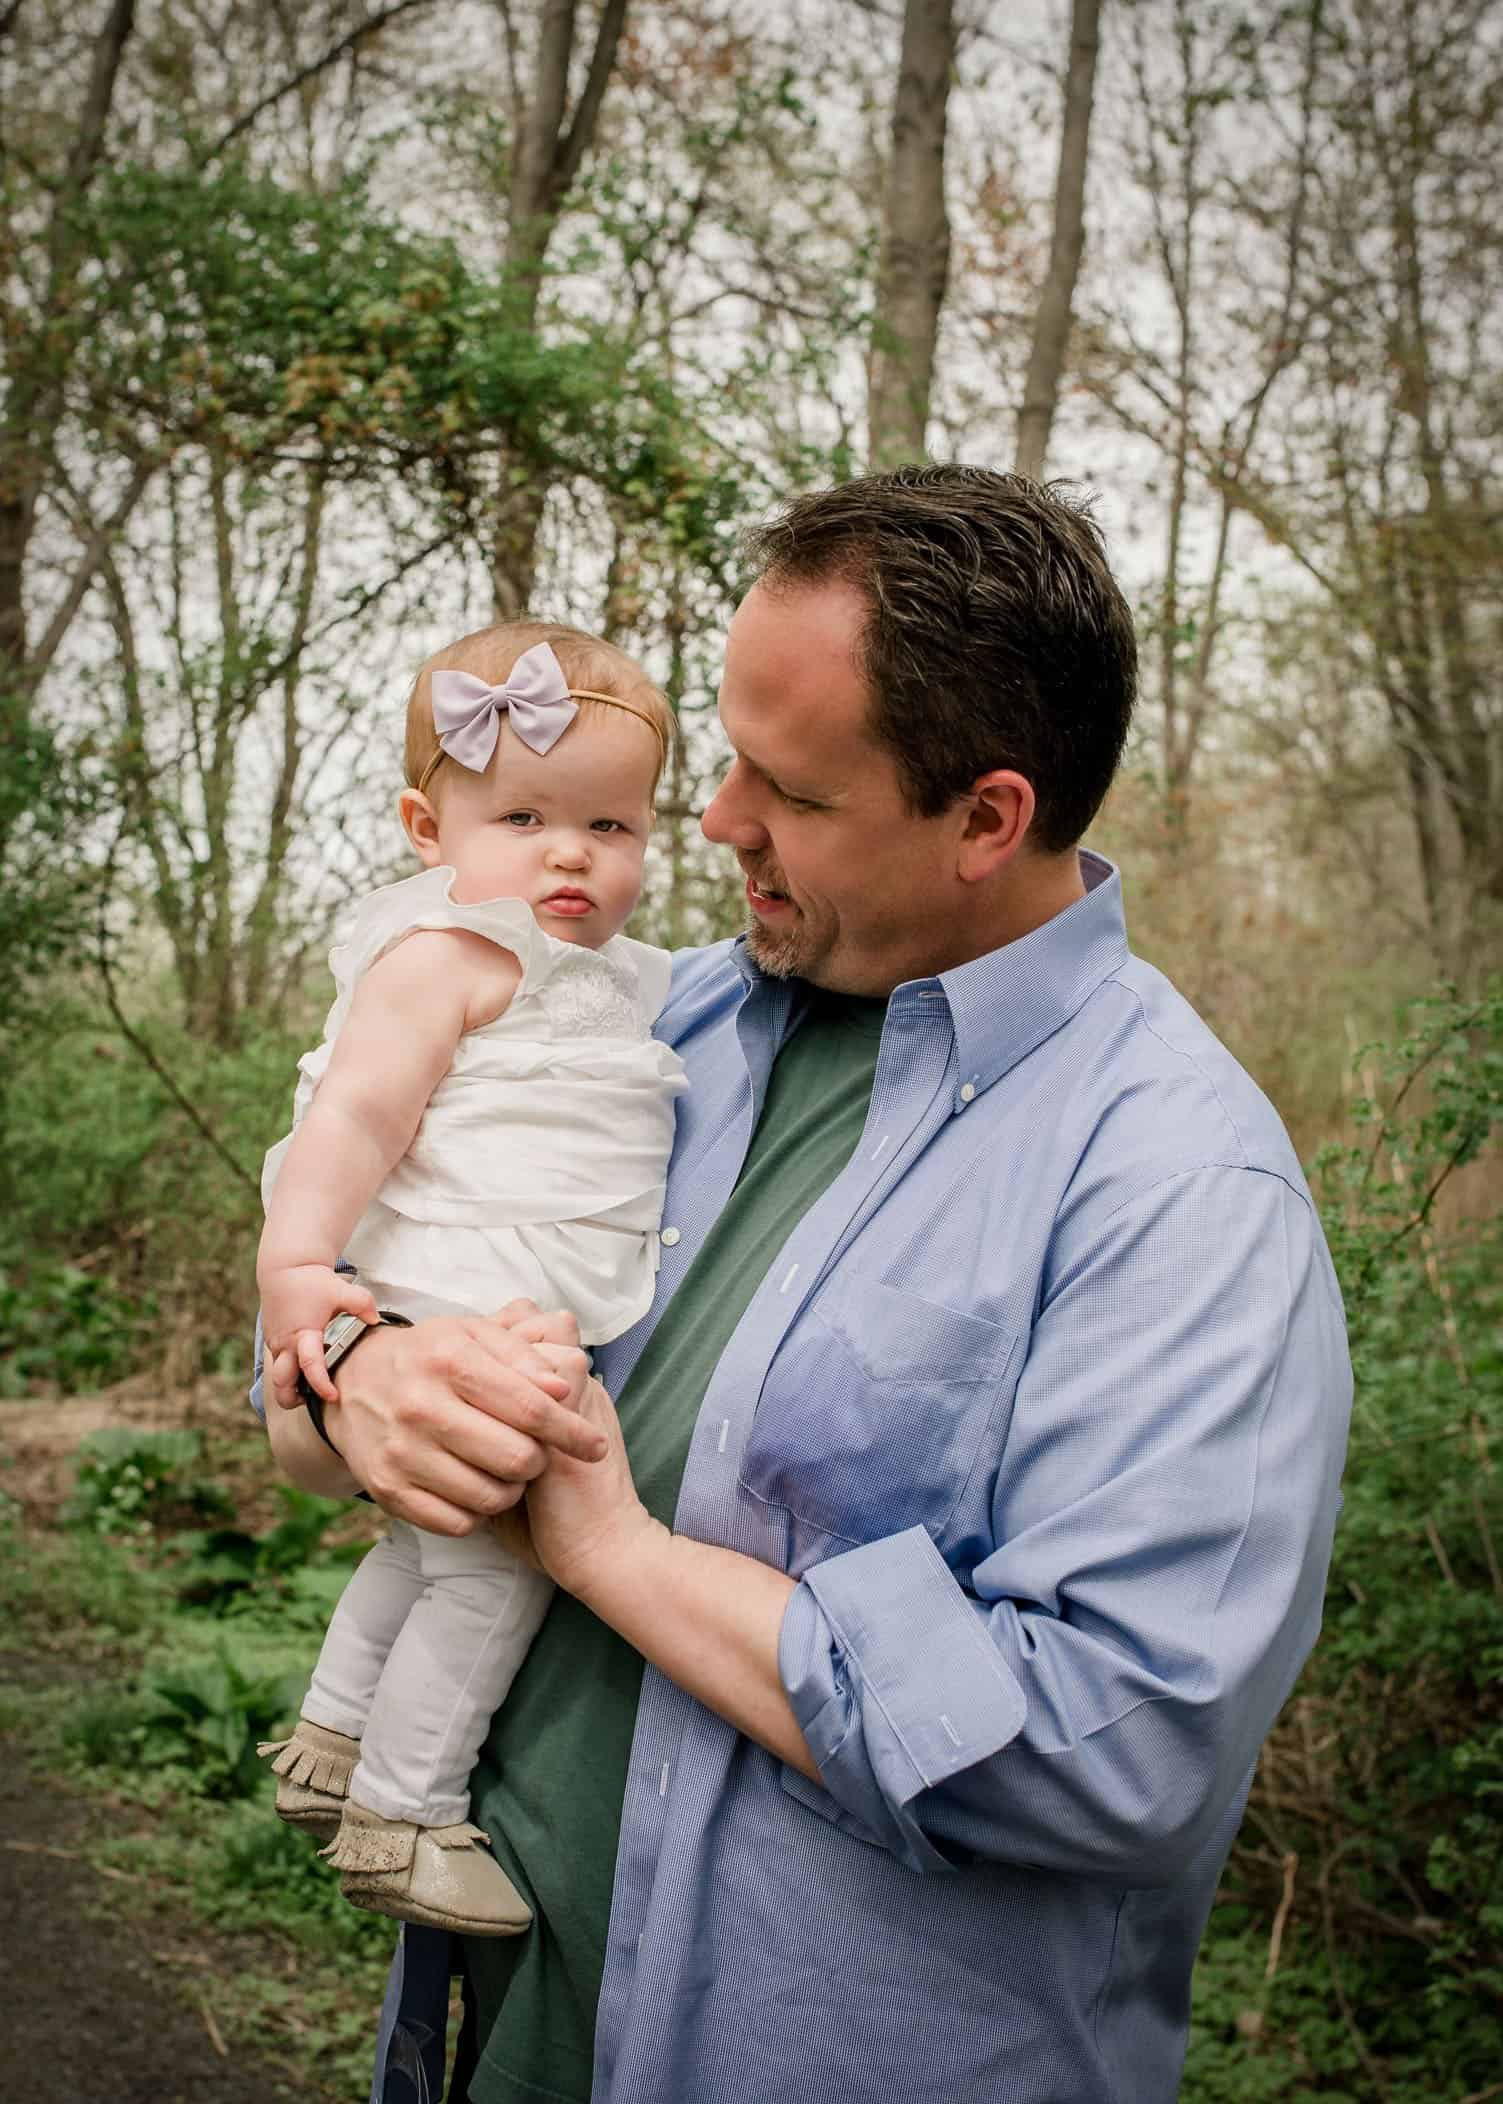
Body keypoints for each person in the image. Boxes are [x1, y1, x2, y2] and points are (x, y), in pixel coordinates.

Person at [259, 464, 1352, 2104]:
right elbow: (307, 1374)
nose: (712, 825)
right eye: (724, 761)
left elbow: (1121, 1750)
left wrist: (616, 1552)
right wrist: (364, 1368)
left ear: (988, 817)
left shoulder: (1178, 1189)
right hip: (485, 2042)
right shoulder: (640, 1026)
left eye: (791, 791)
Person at [255, 620, 685, 1938]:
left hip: (514, 1291)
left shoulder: (611, 984)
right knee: (502, 1564)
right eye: (524, 817)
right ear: (426, 830)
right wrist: (295, 1266)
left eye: (612, 827)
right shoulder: (441, 956)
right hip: (452, 1293)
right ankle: (400, 1811)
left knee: (427, 1546)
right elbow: (355, 1122)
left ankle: (328, 1742)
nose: (571, 853)